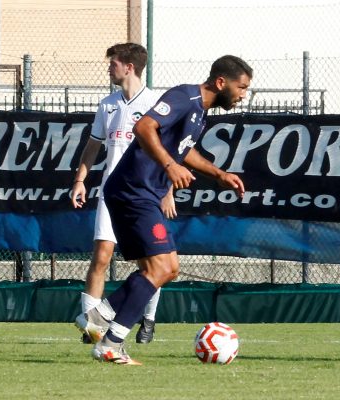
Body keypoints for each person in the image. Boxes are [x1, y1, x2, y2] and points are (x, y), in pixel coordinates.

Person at [76, 55, 252, 365]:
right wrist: (169, 166)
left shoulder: (200, 112)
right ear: (221, 82)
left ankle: (100, 318)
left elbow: (184, 151)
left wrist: (219, 174)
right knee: (159, 269)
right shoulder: (185, 97)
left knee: (166, 269)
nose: (243, 95)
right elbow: (144, 127)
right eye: (241, 87)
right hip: (133, 191)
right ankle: (109, 342)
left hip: (143, 193)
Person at [72, 43, 174, 346]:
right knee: (101, 256)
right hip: (112, 192)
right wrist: (81, 180)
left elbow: (170, 152)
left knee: (151, 266)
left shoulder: (158, 104)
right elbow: (93, 145)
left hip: (146, 194)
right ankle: (92, 328)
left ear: (129, 67)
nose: (109, 67)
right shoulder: (108, 104)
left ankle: (148, 320)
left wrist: (167, 192)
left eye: (113, 62)